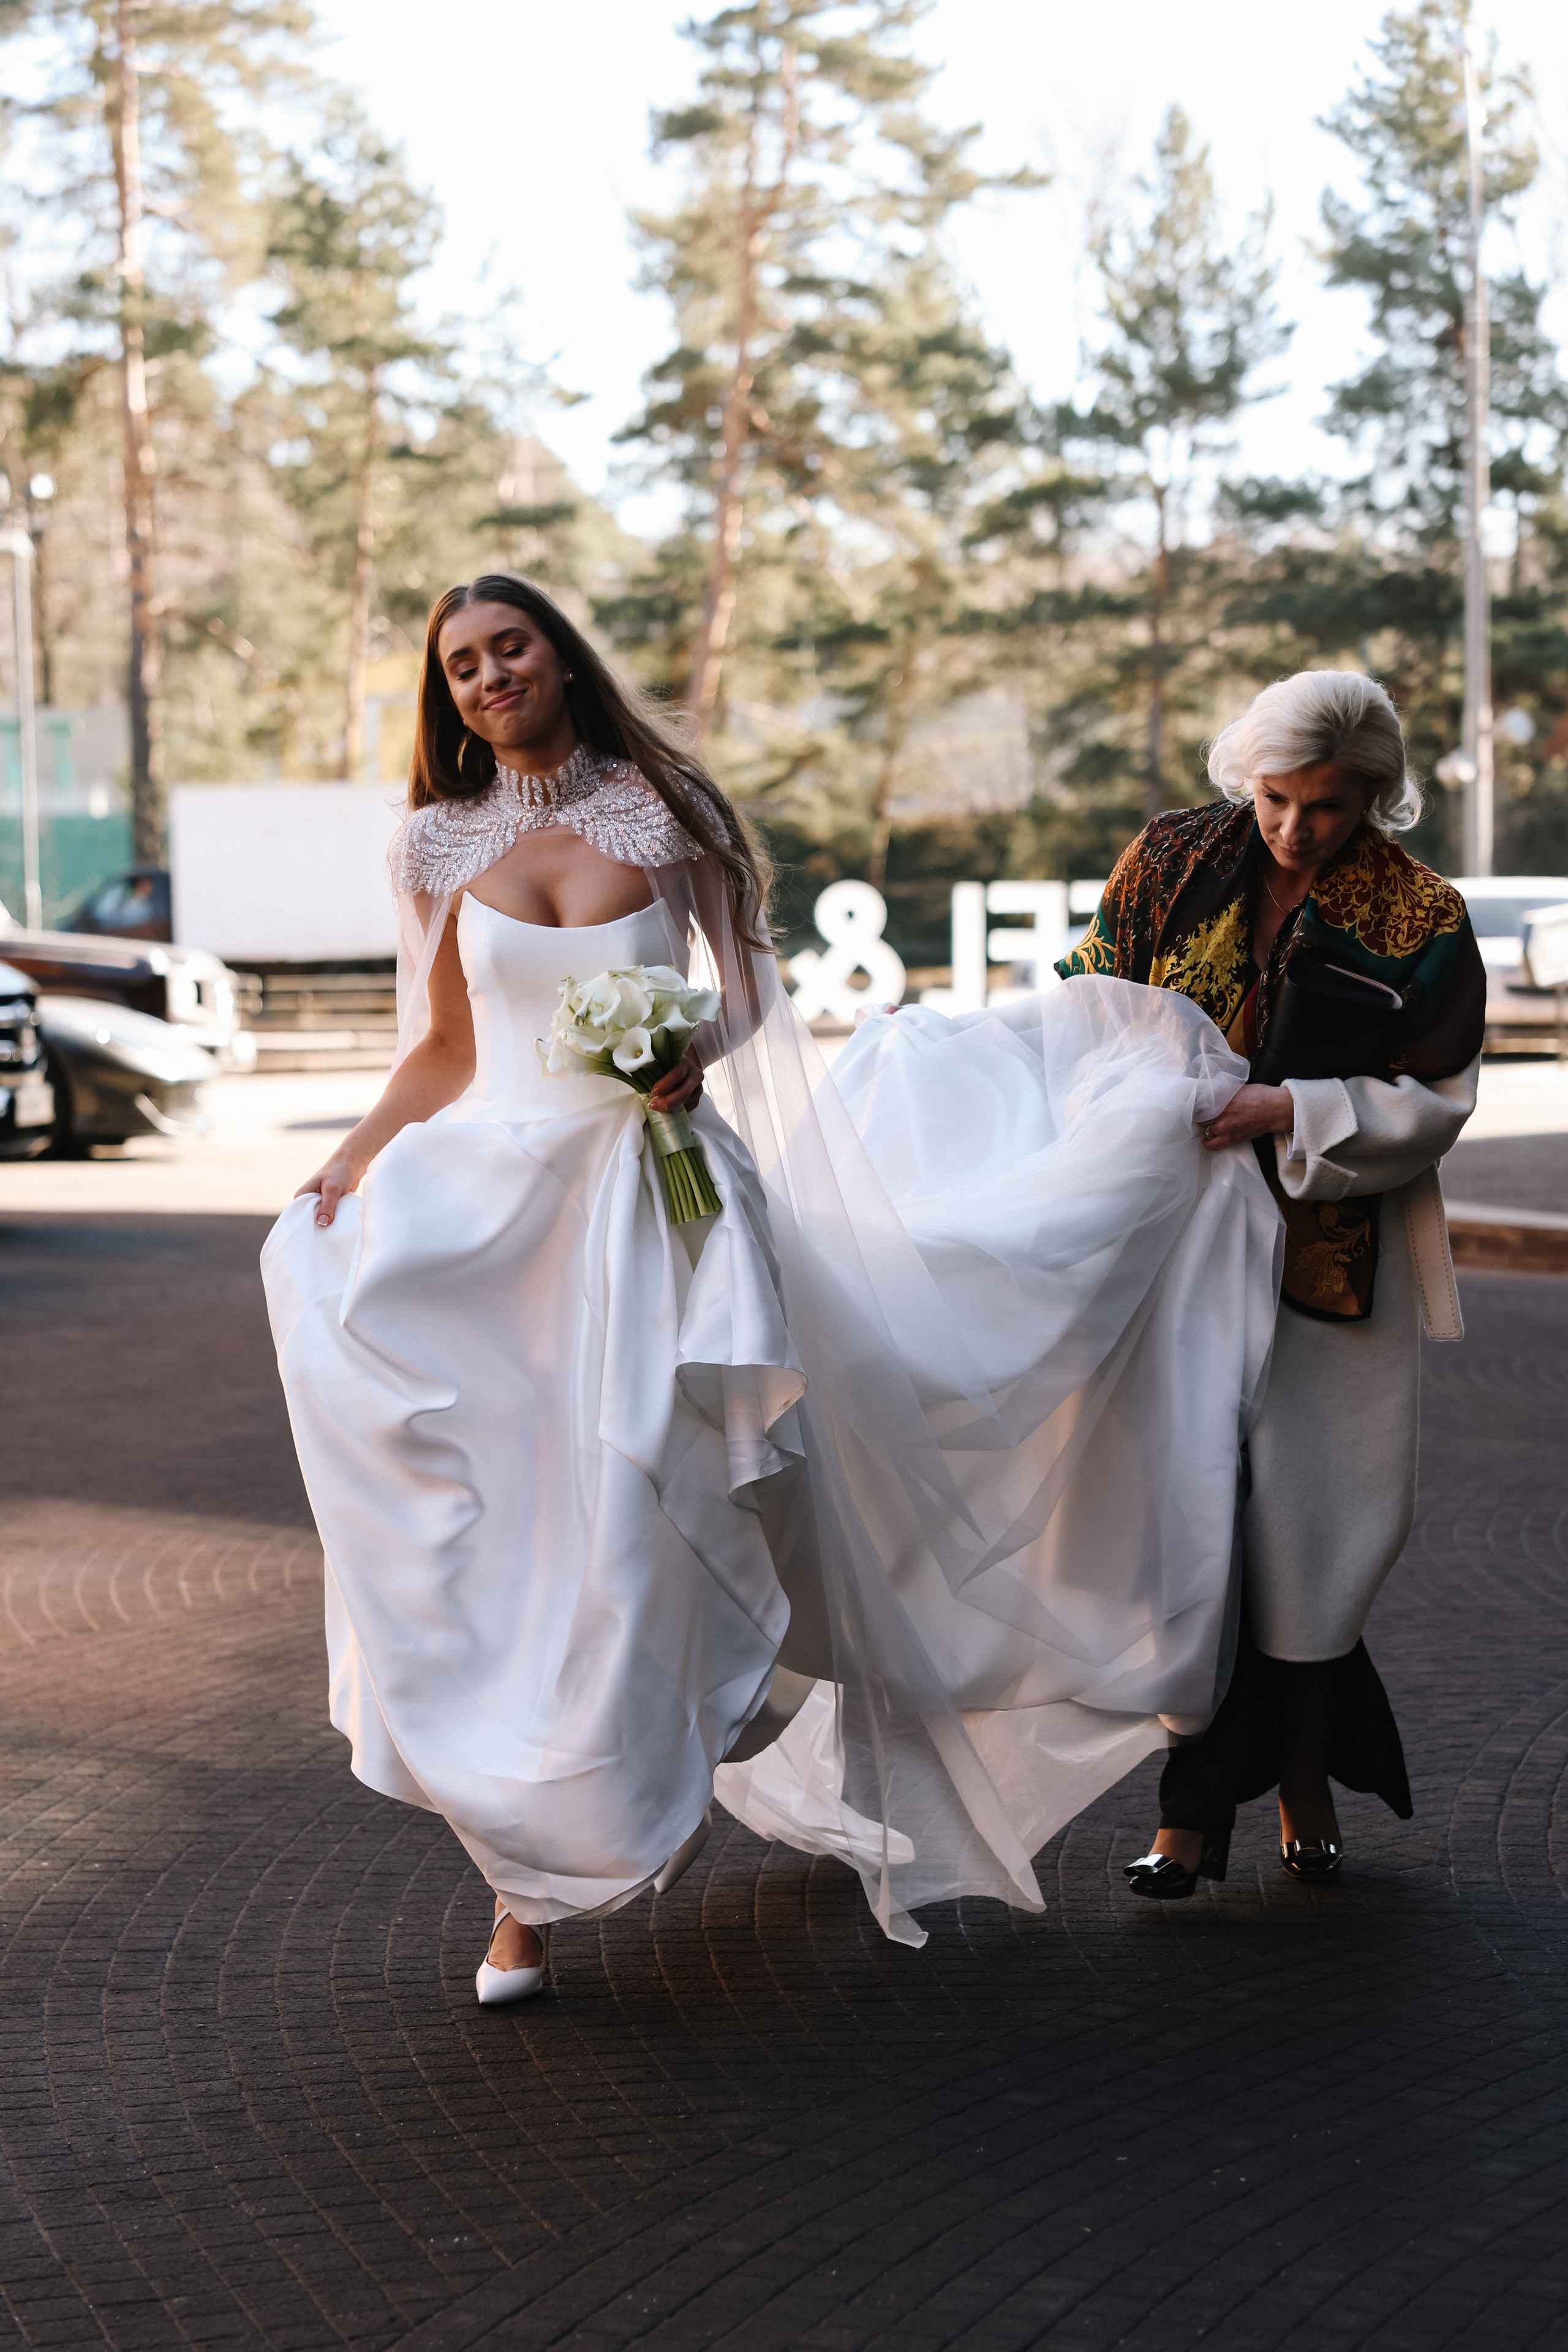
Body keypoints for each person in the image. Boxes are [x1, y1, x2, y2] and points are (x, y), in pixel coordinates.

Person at [261, 571, 1286, 1999]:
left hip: (658, 1203)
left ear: (559, 659)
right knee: (509, 1546)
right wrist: (357, 1154)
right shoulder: (433, 844)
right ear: (447, 695)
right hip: (499, 1222)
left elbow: (749, 991)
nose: (490, 678)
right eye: (462, 666)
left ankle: (586, 1845)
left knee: (638, 1523)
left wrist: (686, 1054)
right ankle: (523, 1880)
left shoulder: (665, 809)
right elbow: (441, 1044)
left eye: (512, 648)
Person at [1056, 670, 1485, 1897]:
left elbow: (1439, 1101)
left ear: (1376, 799)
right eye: (1276, 798)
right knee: (1186, 1525)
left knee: (1308, 1543)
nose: (1295, 828)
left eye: (1330, 806)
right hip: (1167, 1239)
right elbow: (1087, 998)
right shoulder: (1170, 858)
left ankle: (1279, 1787)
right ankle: (1202, 1813)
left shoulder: (1420, 916)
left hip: (1327, 1262)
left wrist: (1286, 1105)